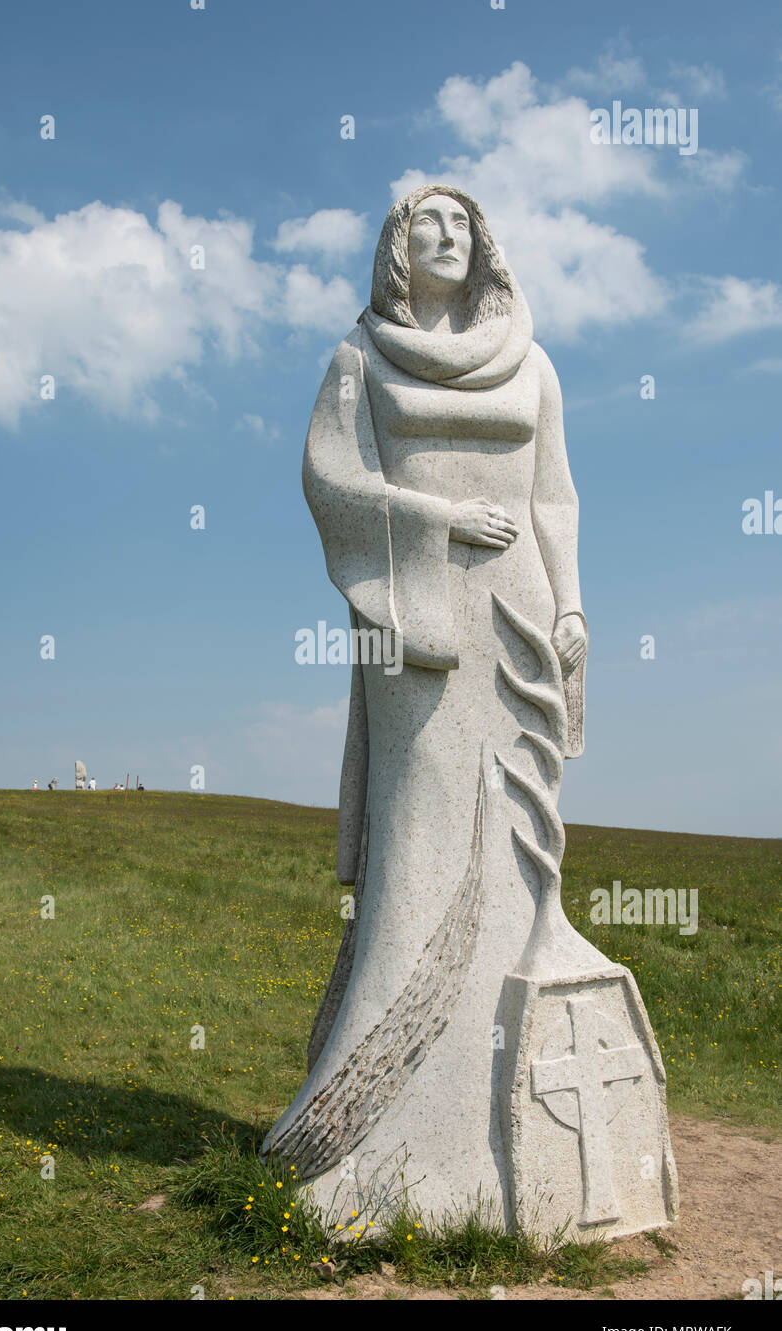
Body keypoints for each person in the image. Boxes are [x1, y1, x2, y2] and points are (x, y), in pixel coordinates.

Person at [263, 184, 605, 1215]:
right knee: (419, 834)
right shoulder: (358, 361)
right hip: (419, 628)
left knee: (521, 835)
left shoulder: (533, 364)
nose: (447, 235)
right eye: (426, 223)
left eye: (463, 221)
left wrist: (576, 608)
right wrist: (439, 518)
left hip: (522, 617)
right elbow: (332, 486)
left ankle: (511, 1136)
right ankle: (379, 1129)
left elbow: (554, 494)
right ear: (394, 250)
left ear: (486, 243)